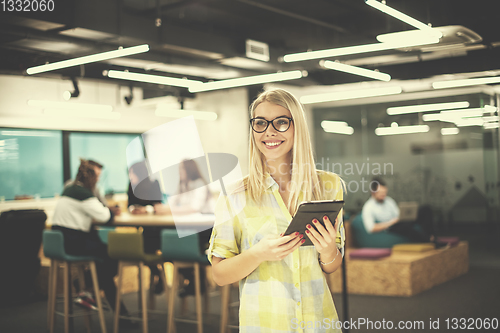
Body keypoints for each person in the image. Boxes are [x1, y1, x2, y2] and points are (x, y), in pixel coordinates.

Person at [208, 88, 345, 332]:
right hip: (265, 324)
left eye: (281, 122)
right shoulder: (235, 194)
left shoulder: (328, 186)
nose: (269, 131)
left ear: (297, 127)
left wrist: (328, 249)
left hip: (319, 322)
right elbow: (219, 275)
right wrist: (257, 254)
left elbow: (332, 265)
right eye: (260, 123)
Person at [51, 159, 135, 326]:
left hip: (61, 241)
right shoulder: (84, 194)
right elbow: (104, 217)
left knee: (103, 266)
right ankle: (85, 286)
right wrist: (111, 212)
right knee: (112, 256)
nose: (98, 181)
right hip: (73, 242)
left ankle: (89, 291)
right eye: (97, 177)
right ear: (91, 178)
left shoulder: (69, 189)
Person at [169, 159, 214, 297]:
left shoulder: (199, 184)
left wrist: (170, 210)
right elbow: (171, 203)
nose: (179, 172)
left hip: (205, 228)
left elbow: (195, 208)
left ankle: (197, 281)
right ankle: (196, 280)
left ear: (189, 170)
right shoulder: (183, 185)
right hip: (190, 228)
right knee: (171, 246)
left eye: (182, 169)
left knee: (179, 246)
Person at [361, 177, 433, 242]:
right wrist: (390, 223)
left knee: (425, 209)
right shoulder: (368, 207)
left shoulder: (389, 200)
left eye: (385, 193)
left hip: (398, 221)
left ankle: (432, 236)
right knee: (405, 227)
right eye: (381, 193)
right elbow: (371, 228)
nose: (383, 195)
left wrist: (403, 216)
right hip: (390, 227)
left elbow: (398, 214)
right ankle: (429, 241)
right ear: (373, 192)